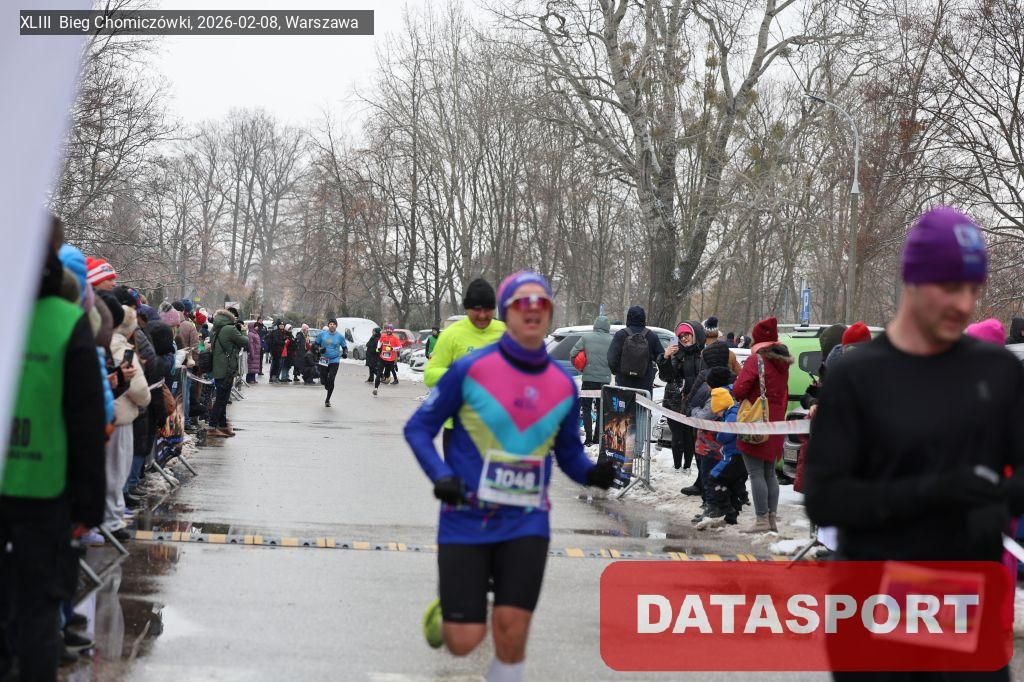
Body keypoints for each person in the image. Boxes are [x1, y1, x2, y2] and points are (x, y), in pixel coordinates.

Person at [805, 206, 1024, 682]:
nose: (964, 304)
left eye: (973, 289)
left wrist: (1001, 501)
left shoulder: (998, 371)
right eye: (950, 287)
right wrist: (938, 492)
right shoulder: (856, 377)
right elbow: (825, 498)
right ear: (913, 280)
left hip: (965, 610)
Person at [404, 270, 616, 682]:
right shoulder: (469, 370)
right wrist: (440, 475)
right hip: (466, 517)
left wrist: (593, 474)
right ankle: (450, 611)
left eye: (542, 303)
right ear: (508, 312)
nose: (532, 310)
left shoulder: (562, 384)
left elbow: (568, 453)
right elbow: (417, 428)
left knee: (512, 630)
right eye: (522, 303)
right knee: (464, 640)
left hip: (526, 521)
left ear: (549, 314)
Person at [0, 244, 107, 680]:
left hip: (31, 487)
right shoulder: (67, 321)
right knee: (38, 614)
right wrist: (89, 506)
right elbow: (86, 422)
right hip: (45, 489)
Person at [424, 279, 506, 456]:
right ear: (467, 308)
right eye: (477, 309)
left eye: (488, 309)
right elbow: (430, 375)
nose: (482, 315)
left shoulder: (506, 333)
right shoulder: (452, 335)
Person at [731, 316, 792, 533]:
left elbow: (739, 390)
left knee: (756, 473)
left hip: (755, 420)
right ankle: (771, 519)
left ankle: (761, 520)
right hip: (775, 421)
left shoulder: (756, 360)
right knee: (769, 473)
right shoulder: (782, 363)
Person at [657, 321, 705, 476]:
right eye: (681, 336)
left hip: (694, 401)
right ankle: (677, 466)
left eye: (687, 334)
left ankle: (687, 466)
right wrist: (665, 357)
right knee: (677, 436)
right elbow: (666, 377)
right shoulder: (676, 354)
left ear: (694, 335)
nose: (684, 338)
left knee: (689, 436)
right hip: (674, 401)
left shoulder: (702, 354)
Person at [569, 315, 613, 446]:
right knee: (601, 409)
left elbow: (573, 353)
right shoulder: (612, 340)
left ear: (595, 325)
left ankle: (588, 438)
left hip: (588, 379)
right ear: (608, 327)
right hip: (604, 381)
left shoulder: (586, 338)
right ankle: (597, 438)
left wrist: (580, 367)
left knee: (587, 408)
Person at [607, 305, 664, 396]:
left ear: (628, 318)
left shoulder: (620, 335)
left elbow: (611, 358)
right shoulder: (652, 336)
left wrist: (617, 371)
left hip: (623, 383)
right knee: (642, 405)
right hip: (644, 385)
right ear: (644, 318)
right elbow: (661, 357)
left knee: (623, 405)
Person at [208, 308, 248, 437]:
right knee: (221, 399)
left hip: (218, 368)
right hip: (227, 369)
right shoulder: (230, 329)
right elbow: (245, 341)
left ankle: (222, 425)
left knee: (222, 398)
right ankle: (212, 426)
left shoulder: (215, 329)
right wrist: (243, 330)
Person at [314, 319, 348, 407]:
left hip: (335, 360)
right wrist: (319, 349)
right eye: (330, 324)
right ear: (328, 325)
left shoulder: (340, 336)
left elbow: (345, 347)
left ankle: (327, 400)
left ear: (336, 326)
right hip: (324, 359)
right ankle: (326, 384)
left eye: (334, 324)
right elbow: (315, 345)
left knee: (331, 379)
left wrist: (345, 353)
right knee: (323, 381)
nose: (332, 325)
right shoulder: (322, 334)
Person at [374, 323, 403, 394]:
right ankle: (375, 389)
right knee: (379, 373)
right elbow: (379, 342)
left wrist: (392, 348)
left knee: (387, 375)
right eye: (387, 329)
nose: (389, 330)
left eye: (390, 329)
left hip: (390, 360)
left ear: (392, 330)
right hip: (382, 358)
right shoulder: (383, 336)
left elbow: (400, 347)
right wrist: (378, 348)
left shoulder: (395, 338)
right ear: (386, 330)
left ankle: (387, 378)